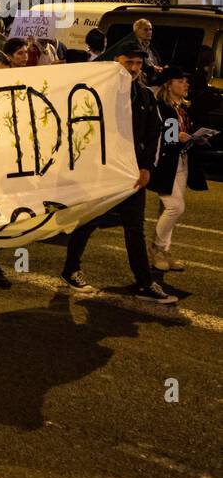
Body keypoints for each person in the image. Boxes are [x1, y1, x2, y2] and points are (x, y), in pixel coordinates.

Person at [60, 43, 176, 303]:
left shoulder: (144, 96)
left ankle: (144, 283)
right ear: (115, 62)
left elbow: (153, 133)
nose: (134, 68)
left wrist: (146, 167)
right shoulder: (97, 94)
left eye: (138, 63)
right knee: (88, 221)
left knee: (134, 229)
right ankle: (70, 269)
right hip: (102, 174)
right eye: (129, 63)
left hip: (131, 175)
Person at [149, 66, 209, 272]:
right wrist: (178, 137)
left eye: (186, 81)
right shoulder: (162, 107)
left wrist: (195, 139)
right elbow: (164, 138)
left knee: (168, 209)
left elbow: (176, 137)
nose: (186, 84)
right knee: (175, 207)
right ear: (169, 85)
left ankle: (165, 251)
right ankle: (156, 249)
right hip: (164, 164)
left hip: (181, 163)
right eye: (181, 81)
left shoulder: (182, 108)